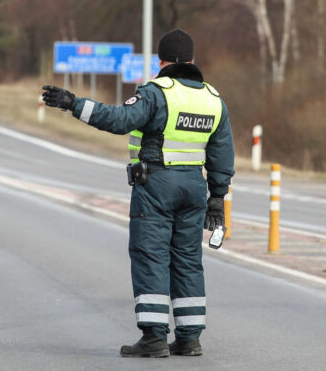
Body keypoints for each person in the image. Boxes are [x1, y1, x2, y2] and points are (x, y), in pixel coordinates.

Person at [42, 28, 235, 357]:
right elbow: (222, 154)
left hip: (157, 186)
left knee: (151, 257)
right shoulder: (213, 99)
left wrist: (74, 104)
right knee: (188, 261)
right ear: (192, 60)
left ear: (161, 61)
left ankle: (154, 336)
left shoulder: (157, 93)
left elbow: (118, 120)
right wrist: (216, 199)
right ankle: (189, 338)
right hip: (193, 189)